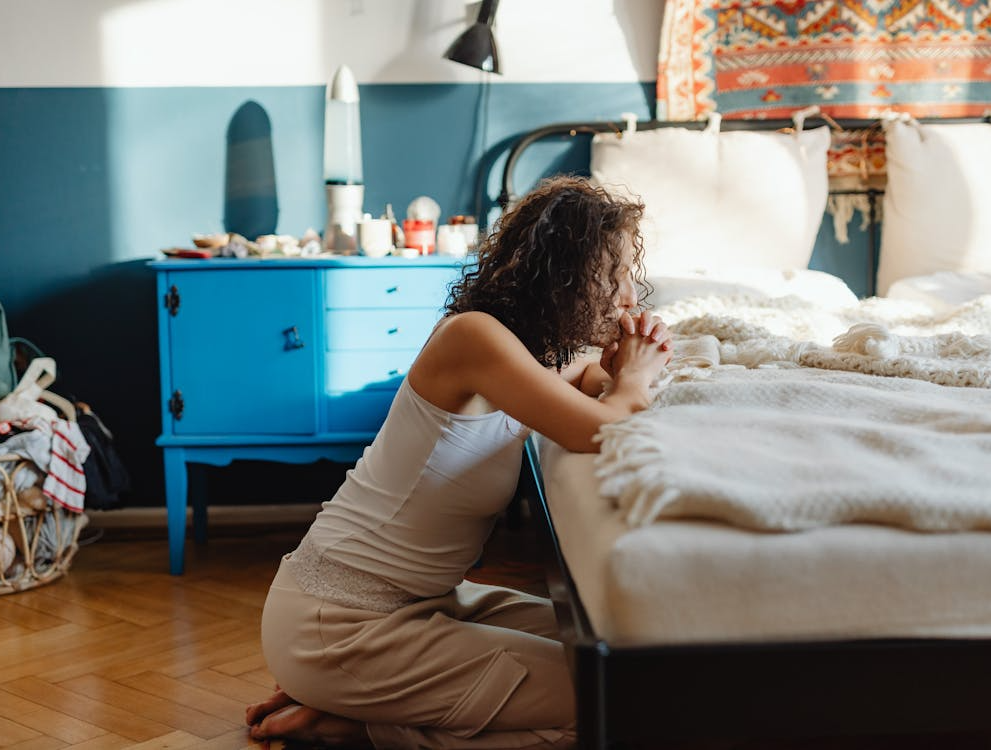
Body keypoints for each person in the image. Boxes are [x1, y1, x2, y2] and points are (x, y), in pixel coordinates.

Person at [245, 175, 673, 749]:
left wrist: (623, 367)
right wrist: (638, 376)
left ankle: (349, 700)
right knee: (610, 704)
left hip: (428, 603)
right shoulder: (474, 339)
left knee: (620, 648)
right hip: (343, 623)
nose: (629, 296)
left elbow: (595, 384)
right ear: (565, 277)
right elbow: (604, 428)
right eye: (613, 276)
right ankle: (359, 726)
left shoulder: (535, 354)